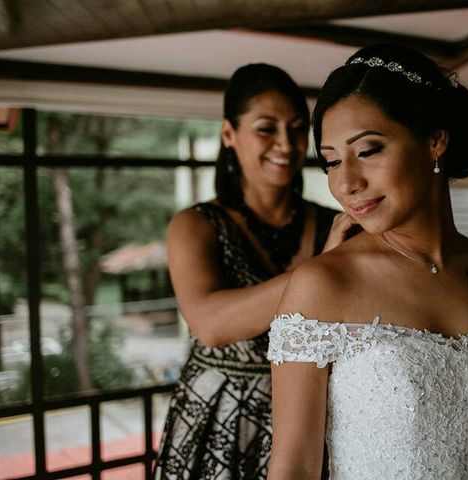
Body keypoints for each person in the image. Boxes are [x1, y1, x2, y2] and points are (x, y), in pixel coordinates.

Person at [266, 44, 468, 479]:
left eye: (367, 151)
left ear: (435, 140)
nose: (347, 182)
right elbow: (293, 468)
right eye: (330, 161)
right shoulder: (323, 285)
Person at [154, 64, 351, 479]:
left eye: (297, 129)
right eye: (267, 128)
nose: (286, 143)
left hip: (315, 425)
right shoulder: (196, 225)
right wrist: (320, 270)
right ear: (229, 134)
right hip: (218, 426)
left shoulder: (340, 227)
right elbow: (210, 324)